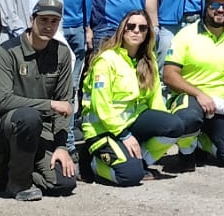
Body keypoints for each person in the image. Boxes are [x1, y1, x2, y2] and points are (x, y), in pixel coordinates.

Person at [83, 11, 200, 186]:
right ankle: (92, 165)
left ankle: (141, 161)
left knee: (174, 125)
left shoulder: (148, 60)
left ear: (148, 33)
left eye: (142, 28)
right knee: (129, 177)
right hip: (103, 128)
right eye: (131, 27)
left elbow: (155, 100)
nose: (136, 31)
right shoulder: (106, 60)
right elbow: (102, 106)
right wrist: (124, 134)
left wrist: (162, 127)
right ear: (122, 30)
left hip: (132, 121)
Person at [0, 0, 79, 200]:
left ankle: (17, 172)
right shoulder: (7, 52)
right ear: (31, 20)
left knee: (64, 182)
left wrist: (61, 146)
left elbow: (65, 103)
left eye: (54, 22)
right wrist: (49, 104)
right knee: (28, 117)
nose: (48, 26)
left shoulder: (61, 53)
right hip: (8, 125)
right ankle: (19, 184)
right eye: (43, 20)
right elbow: (2, 101)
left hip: (42, 131)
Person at [161, 0, 224, 167]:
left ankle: (202, 141)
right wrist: (199, 94)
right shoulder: (186, 34)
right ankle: (186, 154)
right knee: (189, 118)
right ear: (206, 5)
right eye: (215, 4)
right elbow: (169, 75)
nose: (220, 10)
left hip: (221, 104)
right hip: (189, 99)